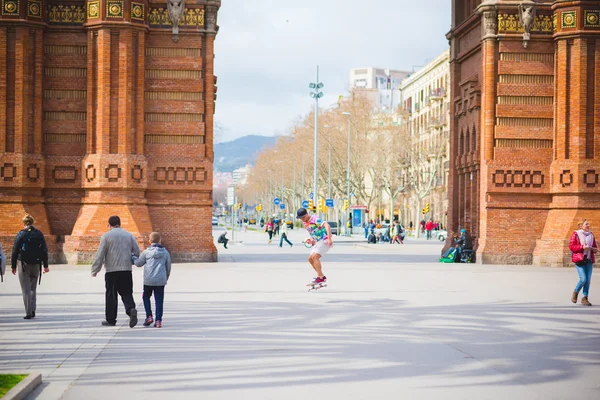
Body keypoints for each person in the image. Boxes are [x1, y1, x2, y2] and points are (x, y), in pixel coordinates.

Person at [91, 215, 140, 327]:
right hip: (126, 270)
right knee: (127, 292)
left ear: (109, 225)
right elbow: (136, 251)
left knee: (111, 295)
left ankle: (111, 319)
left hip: (111, 271)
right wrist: (131, 260)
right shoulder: (129, 235)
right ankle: (131, 309)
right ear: (120, 223)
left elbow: (100, 254)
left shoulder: (106, 236)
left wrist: (95, 269)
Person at [10, 214, 49, 319]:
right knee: (33, 288)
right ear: (32, 222)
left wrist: (13, 266)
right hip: (36, 264)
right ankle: (33, 310)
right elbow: (44, 250)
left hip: (23, 264)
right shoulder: (39, 234)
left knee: (25, 289)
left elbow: (14, 251)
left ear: (23, 223)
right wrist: (45, 265)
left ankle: (28, 312)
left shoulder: (21, 234)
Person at [133, 232, 171, 328]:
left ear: (149, 241)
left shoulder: (146, 252)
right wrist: (166, 277)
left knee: (146, 297)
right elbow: (168, 266)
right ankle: (158, 321)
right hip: (160, 280)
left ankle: (149, 316)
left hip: (148, 280)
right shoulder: (165, 253)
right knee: (159, 300)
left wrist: (133, 257)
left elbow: (138, 263)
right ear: (160, 240)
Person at [296, 208, 333, 285]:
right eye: (300, 218)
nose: (302, 220)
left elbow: (327, 225)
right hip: (318, 242)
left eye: (303, 217)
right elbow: (313, 233)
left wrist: (329, 238)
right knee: (310, 258)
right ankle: (321, 276)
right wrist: (312, 240)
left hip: (325, 240)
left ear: (306, 214)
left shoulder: (315, 219)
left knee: (315, 257)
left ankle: (320, 277)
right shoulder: (305, 223)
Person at [569, 219, 597, 306]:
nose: (588, 225)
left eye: (588, 224)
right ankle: (575, 292)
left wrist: (594, 249)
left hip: (588, 260)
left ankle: (585, 298)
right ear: (581, 226)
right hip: (580, 260)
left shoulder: (591, 235)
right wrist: (582, 247)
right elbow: (571, 246)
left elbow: (594, 246)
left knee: (588, 280)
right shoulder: (576, 234)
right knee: (583, 279)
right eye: (586, 224)